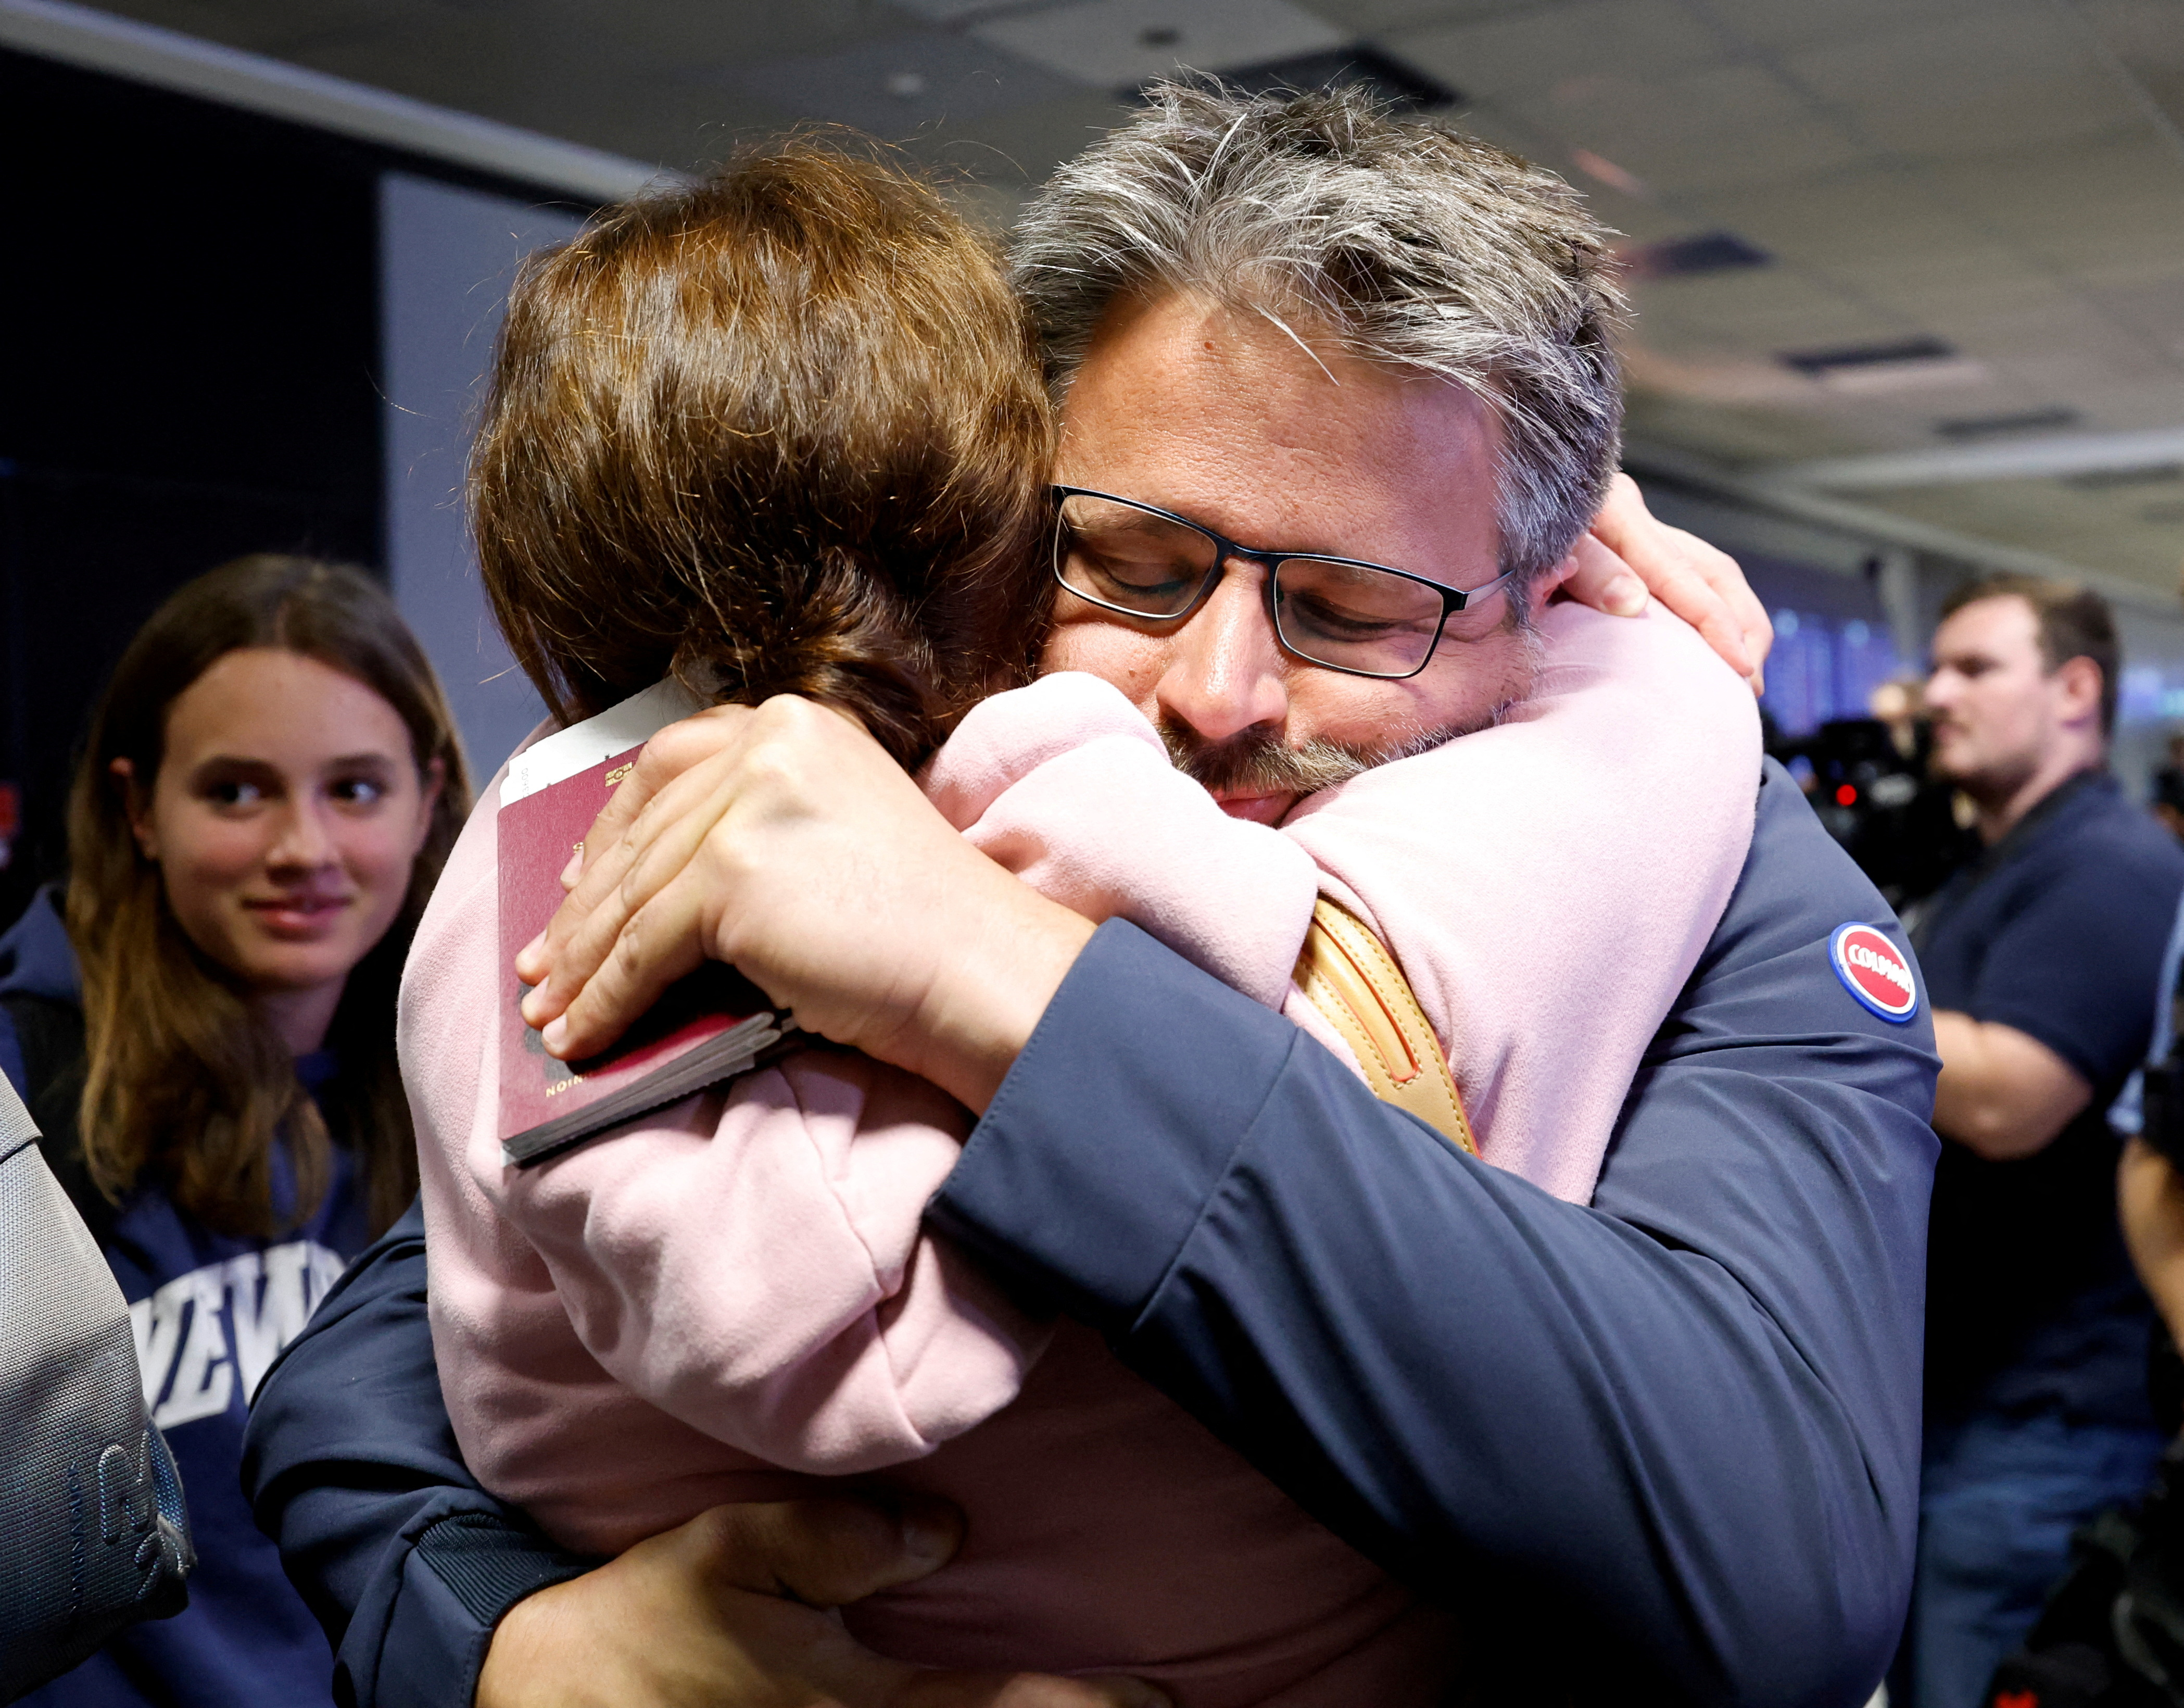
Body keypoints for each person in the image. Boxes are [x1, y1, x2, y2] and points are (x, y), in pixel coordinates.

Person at [244, 83, 1938, 1707]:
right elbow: (375, 1358)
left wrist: (1017, 993)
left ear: (1550, 592)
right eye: (1131, 559)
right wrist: (503, 1639)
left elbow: (1772, 1573)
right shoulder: (856, 779)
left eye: (1347, 610)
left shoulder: (1716, 878)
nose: (1211, 689)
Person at [0, 556, 468, 1708]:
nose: (302, 848)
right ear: (137, 810)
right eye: (238, 792)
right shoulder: (21, 1089)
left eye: (354, 789)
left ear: (429, 796)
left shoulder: (479, 1087)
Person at [1893, 574, 2184, 1705]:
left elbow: (2011, 1092)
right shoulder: (1990, 867)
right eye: (1936, 667)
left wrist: (1815, 988)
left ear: (2073, 689)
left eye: (1974, 668)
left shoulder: (2112, 866)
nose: (1934, 693)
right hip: (1957, 1405)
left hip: (2044, 1424)